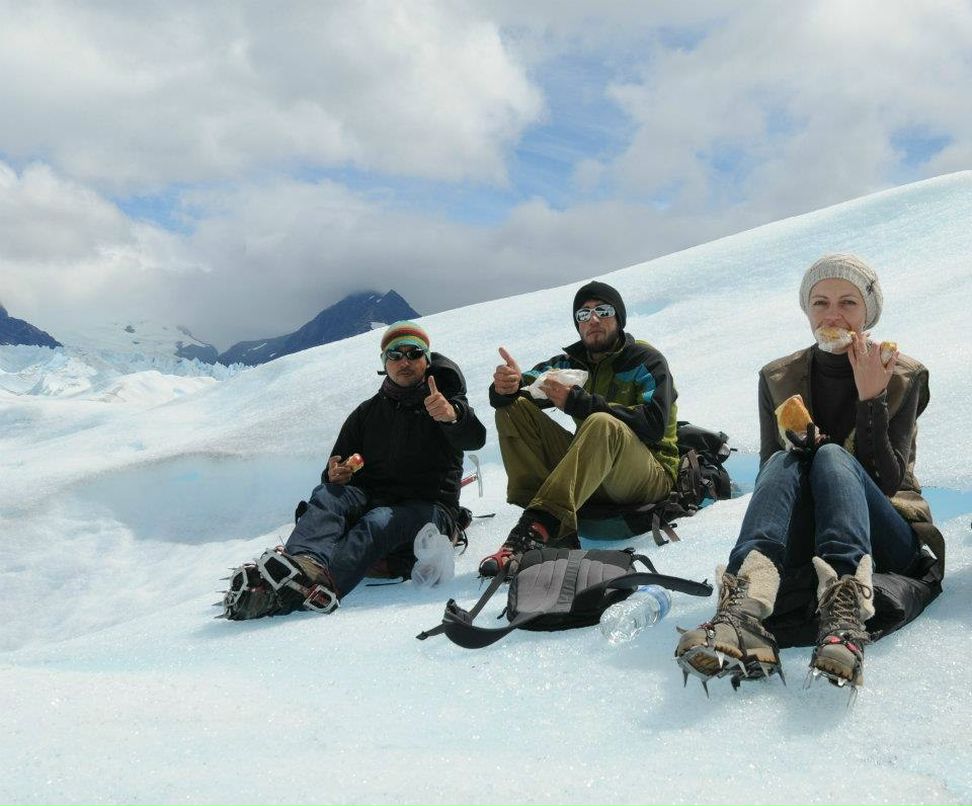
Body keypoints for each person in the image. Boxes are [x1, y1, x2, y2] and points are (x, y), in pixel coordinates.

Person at [675, 254, 942, 691]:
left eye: (848, 303)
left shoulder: (901, 374)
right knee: (784, 460)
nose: (832, 315)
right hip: (807, 535)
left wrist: (871, 399)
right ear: (807, 310)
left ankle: (845, 611)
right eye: (820, 303)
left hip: (888, 534)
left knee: (834, 456)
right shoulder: (778, 377)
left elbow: (887, 482)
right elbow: (768, 476)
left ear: (868, 311)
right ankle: (743, 608)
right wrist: (801, 451)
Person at [221, 320, 486, 620]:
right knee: (329, 495)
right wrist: (336, 474)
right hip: (375, 499)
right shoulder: (366, 413)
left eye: (414, 353)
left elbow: (475, 437)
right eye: (395, 355)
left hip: (432, 510)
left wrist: (453, 416)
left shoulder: (443, 404)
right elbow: (336, 467)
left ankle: (312, 588)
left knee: (377, 521)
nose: (405, 362)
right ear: (384, 363)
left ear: (427, 360)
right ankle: (303, 562)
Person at [479, 280, 680, 577]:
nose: (593, 319)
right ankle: (548, 525)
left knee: (601, 421)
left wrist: (581, 403)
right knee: (513, 410)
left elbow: (653, 424)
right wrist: (506, 387)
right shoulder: (571, 364)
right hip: (596, 471)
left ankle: (538, 527)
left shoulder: (645, 361)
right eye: (583, 315)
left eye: (602, 310)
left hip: (649, 474)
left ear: (619, 317)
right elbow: (528, 385)